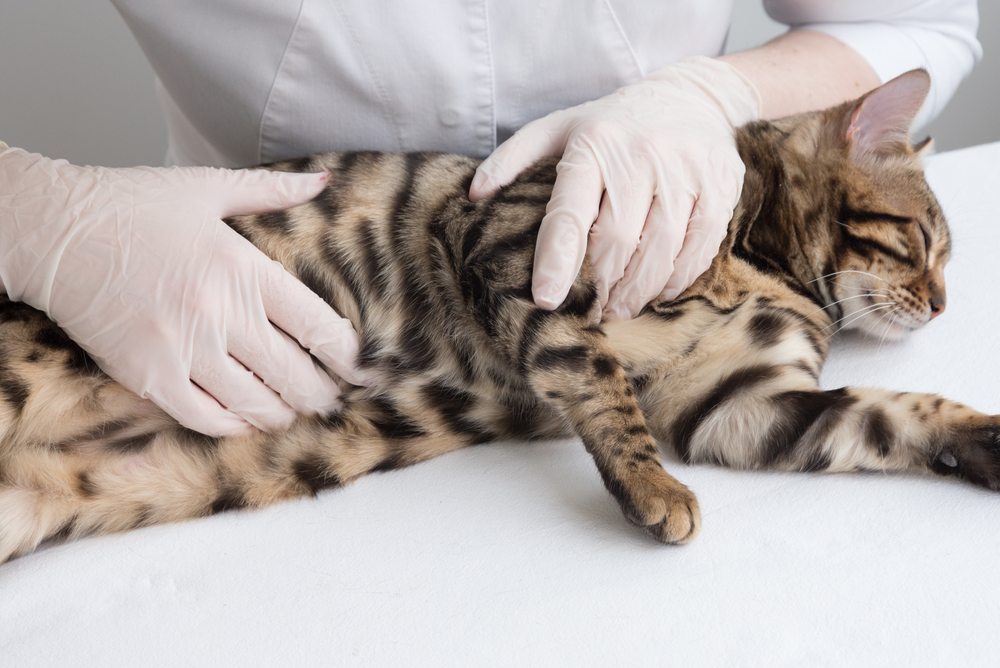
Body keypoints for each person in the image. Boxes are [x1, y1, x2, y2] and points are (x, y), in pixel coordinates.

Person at [0, 0, 981, 438]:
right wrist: (44, 213)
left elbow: (910, 20)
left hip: (645, 317)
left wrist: (709, 93)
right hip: (224, 323)